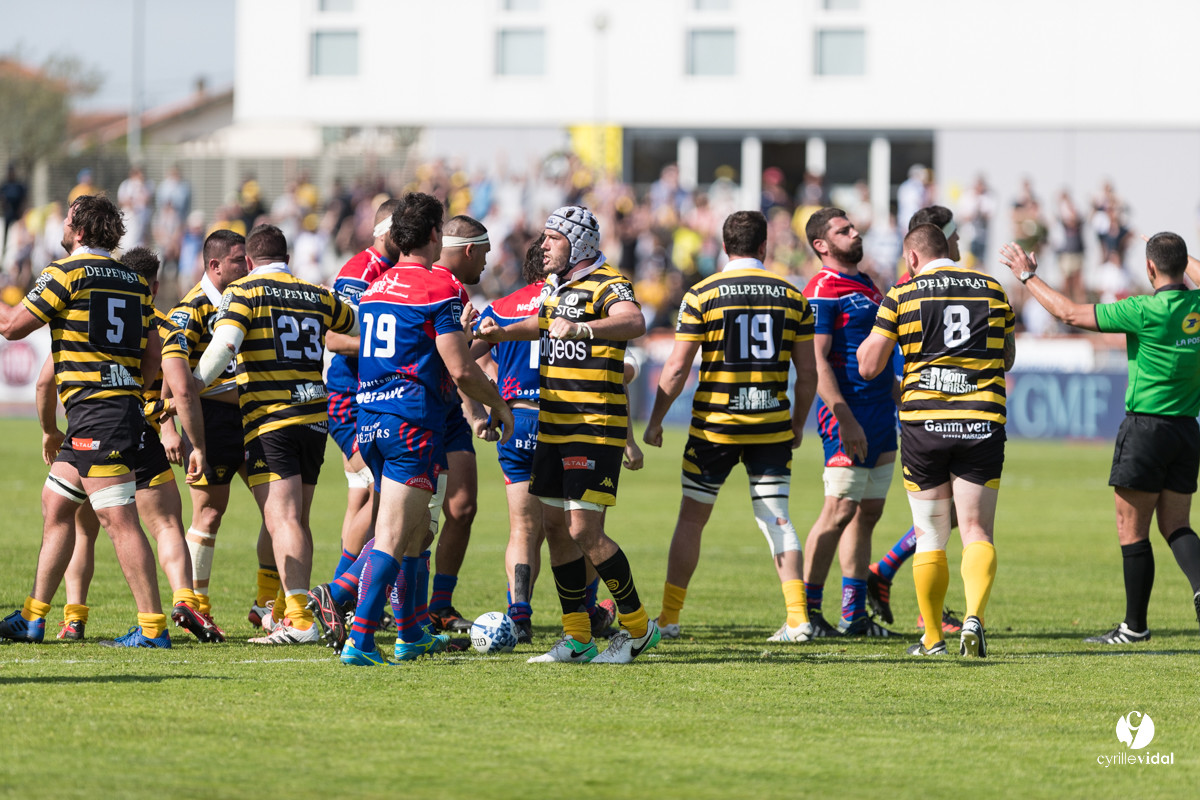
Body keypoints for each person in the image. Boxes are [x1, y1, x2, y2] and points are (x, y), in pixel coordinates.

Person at [477, 205, 660, 664]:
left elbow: (634, 321)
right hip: (555, 427)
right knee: (556, 528)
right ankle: (577, 636)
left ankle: (639, 629)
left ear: (578, 242)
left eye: (553, 238)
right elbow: (540, 326)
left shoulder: (608, 281)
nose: (544, 246)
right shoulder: (558, 290)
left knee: (584, 528)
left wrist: (584, 326)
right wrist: (496, 332)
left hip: (591, 425)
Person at [337, 192, 512, 667]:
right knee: (394, 536)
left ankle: (411, 633)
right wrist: (499, 405)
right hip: (409, 422)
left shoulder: (376, 285)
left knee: (413, 532)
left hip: (369, 417)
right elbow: (459, 368)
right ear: (435, 234)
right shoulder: (441, 289)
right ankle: (360, 639)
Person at [1000, 232, 1200, 644]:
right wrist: (1177, 258)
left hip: (1146, 429)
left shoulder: (1144, 309)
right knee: (1177, 524)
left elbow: (1069, 313)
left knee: (1132, 530)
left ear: (1148, 269)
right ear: (1184, 267)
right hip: (1186, 429)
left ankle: (1134, 627)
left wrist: (1026, 277)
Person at [0, 194, 172, 647]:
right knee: (56, 507)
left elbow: (13, 327)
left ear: (77, 229)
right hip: (110, 410)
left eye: (65, 218)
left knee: (118, 519)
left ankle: (153, 628)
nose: (60, 222)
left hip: (97, 412)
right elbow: (154, 353)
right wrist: (131, 388)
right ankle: (34, 618)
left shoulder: (65, 273)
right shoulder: (134, 281)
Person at [642, 210, 818, 642]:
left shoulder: (702, 294)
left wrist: (656, 421)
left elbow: (677, 368)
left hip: (715, 428)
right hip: (771, 425)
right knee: (778, 518)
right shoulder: (793, 296)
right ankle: (798, 618)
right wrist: (796, 424)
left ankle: (669, 617)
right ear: (764, 247)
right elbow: (809, 374)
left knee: (691, 521)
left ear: (724, 247)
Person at [37, 246, 222, 643]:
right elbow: (181, 385)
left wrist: (51, 428)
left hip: (96, 430)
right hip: (143, 429)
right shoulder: (164, 324)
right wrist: (172, 428)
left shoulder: (90, 314)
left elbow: (45, 379)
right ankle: (185, 597)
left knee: (83, 527)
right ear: (154, 284)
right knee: (167, 523)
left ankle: (74, 617)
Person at [193, 223, 357, 645]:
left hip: (272, 420)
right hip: (315, 418)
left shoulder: (245, 291)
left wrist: (189, 387)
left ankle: (300, 619)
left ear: (249, 261)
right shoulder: (319, 293)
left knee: (281, 519)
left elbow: (225, 346)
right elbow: (357, 325)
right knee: (296, 519)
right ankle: (288, 609)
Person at [857, 223, 1015, 658]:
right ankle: (974, 618)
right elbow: (1007, 357)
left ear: (912, 257)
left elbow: (869, 367)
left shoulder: (902, 294)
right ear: (948, 249)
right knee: (976, 529)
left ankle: (932, 638)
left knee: (931, 534)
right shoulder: (991, 288)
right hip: (981, 419)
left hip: (924, 425)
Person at [866, 205, 966, 637]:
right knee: (942, 518)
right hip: (935, 415)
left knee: (949, 515)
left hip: (932, 412)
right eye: (953, 237)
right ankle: (931, 617)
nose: (958, 244)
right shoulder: (913, 291)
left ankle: (887, 573)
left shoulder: (911, 288)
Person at [799, 207, 898, 637]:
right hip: (847, 417)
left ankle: (853, 615)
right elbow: (815, 361)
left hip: (881, 415)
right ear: (822, 244)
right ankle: (806, 613)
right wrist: (844, 418)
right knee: (837, 512)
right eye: (844, 230)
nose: (856, 233)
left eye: (854, 227)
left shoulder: (868, 284)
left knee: (867, 514)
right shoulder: (822, 289)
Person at [168, 229, 251, 629]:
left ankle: (270, 603)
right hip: (211, 421)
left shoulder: (248, 300)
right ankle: (196, 605)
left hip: (255, 418)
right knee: (210, 513)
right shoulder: (192, 309)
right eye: (239, 260)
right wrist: (168, 426)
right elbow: (171, 375)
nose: (247, 266)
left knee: (280, 508)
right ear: (215, 266)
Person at [322, 199, 399, 590]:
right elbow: (335, 338)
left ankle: (357, 592)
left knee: (362, 496)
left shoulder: (398, 269)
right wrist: (396, 343)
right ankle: (341, 593)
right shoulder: (361, 271)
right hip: (349, 397)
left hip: (376, 395)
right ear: (386, 230)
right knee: (381, 491)